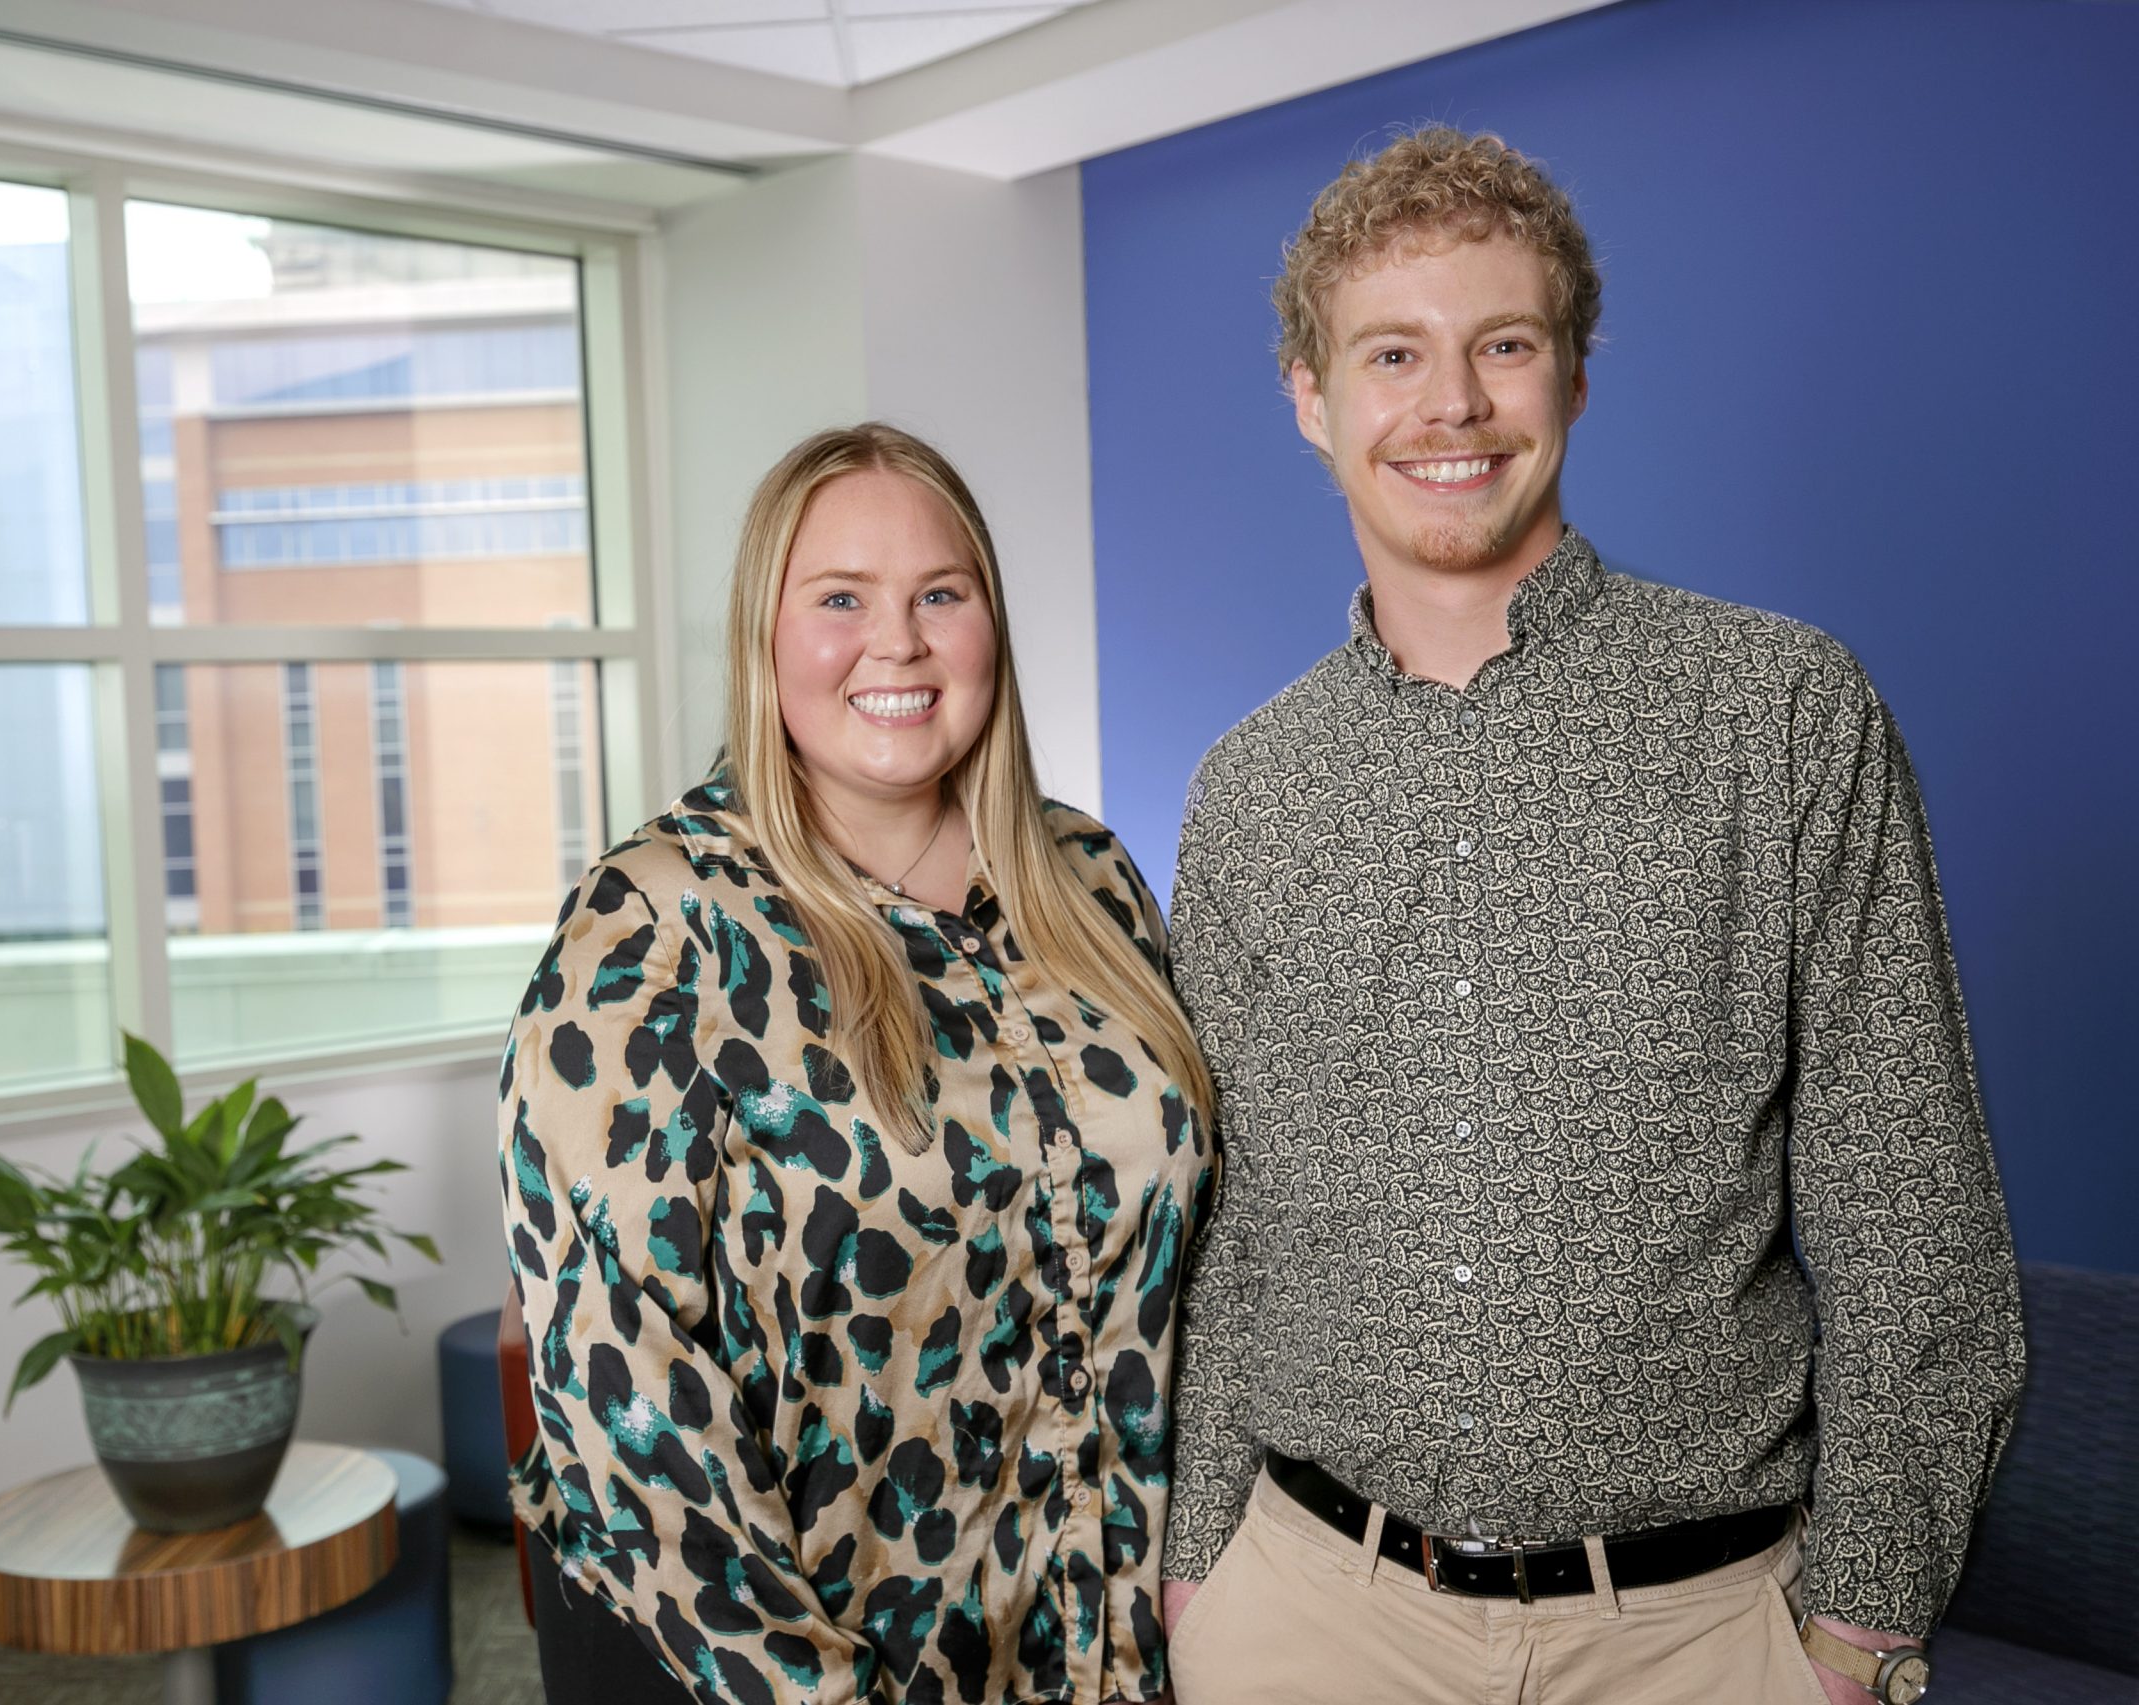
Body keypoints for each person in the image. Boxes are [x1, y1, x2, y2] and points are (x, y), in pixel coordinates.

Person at [1158, 129, 2024, 1705]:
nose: (1453, 407)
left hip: (1701, 1637)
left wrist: (1862, 1634)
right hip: (1306, 1617)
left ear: (1571, 373)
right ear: (1311, 396)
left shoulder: (1782, 715)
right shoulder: (1250, 792)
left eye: (1505, 345)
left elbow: (1916, 1225)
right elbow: (1241, 1235)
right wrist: (1197, 1570)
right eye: (1394, 353)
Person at [499, 422, 1218, 1705]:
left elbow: (1195, 1261)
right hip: (787, 1673)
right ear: (763, 635)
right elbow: (625, 1396)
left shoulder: (1089, 879)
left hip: (1098, 1647)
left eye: (941, 594)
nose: (899, 642)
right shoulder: (659, 926)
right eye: (841, 599)